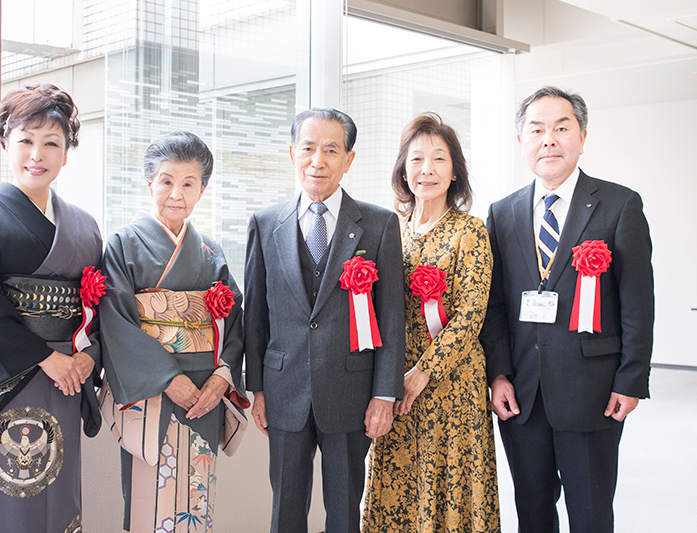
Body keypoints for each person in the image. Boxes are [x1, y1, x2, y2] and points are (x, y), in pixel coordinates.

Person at [480, 86, 654, 532]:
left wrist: (631, 379)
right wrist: (498, 374)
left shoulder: (619, 205)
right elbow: (494, 305)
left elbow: (637, 302)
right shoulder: (502, 213)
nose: (549, 140)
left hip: (592, 391)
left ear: (582, 136)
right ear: (522, 141)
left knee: (591, 513)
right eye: (536, 130)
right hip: (522, 395)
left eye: (561, 128)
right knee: (533, 512)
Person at [0, 83, 103, 533]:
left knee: (59, 491)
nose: (37, 153)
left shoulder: (85, 226)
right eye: (26, 140)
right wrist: (46, 358)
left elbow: (98, 303)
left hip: (69, 375)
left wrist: (90, 356)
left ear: (66, 153)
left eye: (52, 142)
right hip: (12, 377)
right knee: (12, 490)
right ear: (5, 143)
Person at [244, 108, 405, 533]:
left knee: (345, 512)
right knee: (286, 511)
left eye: (331, 149)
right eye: (309, 148)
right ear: (292, 153)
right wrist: (257, 387)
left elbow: (391, 318)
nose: (318, 160)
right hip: (284, 392)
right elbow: (255, 316)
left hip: (352, 394)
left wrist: (385, 394)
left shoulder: (379, 224)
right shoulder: (264, 224)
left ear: (348, 159)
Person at [99, 131, 248, 533]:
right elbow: (115, 320)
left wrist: (223, 374)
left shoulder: (211, 252)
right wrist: (167, 378)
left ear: (202, 190)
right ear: (150, 184)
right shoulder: (123, 245)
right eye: (166, 181)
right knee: (151, 498)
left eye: (188, 184)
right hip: (152, 392)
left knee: (196, 499)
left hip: (204, 393)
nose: (176, 194)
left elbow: (235, 320)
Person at [362, 113, 500, 532]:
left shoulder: (469, 231)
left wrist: (423, 372)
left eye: (439, 159)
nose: (427, 170)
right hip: (395, 380)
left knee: (449, 487)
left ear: (454, 171)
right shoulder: (390, 230)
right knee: (400, 484)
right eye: (417, 158)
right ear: (403, 169)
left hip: (452, 383)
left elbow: (471, 315)